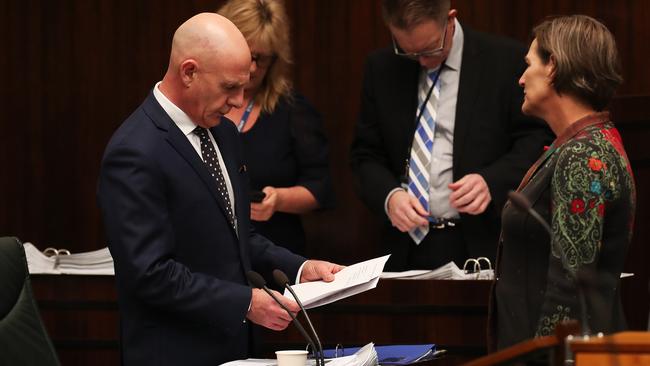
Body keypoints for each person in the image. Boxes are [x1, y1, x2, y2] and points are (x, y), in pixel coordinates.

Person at [97, 13, 342, 365]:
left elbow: (240, 237)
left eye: (244, 87)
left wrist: (302, 268)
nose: (239, 102)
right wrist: (246, 302)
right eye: (230, 88)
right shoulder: (134, 151)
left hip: (235, 350)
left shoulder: (223, 133)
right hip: (173, 353)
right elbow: (150, 275)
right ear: (189, 72)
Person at [350, 0, 552, 271]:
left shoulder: (505, 61)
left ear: (451, 18)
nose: (422, 60)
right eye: (408, 51)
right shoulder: (382, 67)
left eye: (430, 48)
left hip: (481, 244)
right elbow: (366, 155)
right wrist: (389, 197)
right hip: (404, 249)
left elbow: (536, 140)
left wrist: (490, 181)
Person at [492, 15, 636, 350]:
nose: (521, 79)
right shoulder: (583, 144)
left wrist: (542, 359)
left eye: (528, 65)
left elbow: (568, 290)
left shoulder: (584, 154)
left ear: (553, 66)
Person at [217, 0, 334, 255]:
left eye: (261, 59)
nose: (251, 68)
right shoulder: (201, 106)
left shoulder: (292, 109)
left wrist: (279, 199)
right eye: (247, 54)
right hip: (209, 256)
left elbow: (320, 188)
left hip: (274, 256)